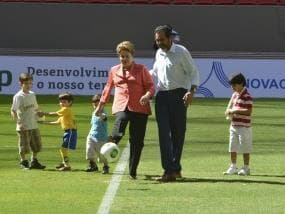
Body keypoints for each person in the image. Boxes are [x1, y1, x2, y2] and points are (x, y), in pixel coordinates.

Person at [95, 41, 155, 179]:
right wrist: (100, 106)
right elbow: (107, 89)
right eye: (121, 56)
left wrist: (147, 95)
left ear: (132, 55)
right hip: (122, 105)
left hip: (140, 108)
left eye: (126, 56)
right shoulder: (114, 70)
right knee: (121, 120)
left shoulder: (141, 69)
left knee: (137, 141)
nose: (124, 59)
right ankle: (109, 147)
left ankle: (132, 171)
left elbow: (151, 86)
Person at [151, 25, 200, 182]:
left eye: (162, 39)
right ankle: (168, 170)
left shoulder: (181, 52)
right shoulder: (159, 53)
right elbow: (154, 73)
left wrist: (191, 91)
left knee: (178, 134)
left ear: (170, 38)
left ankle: (175, 168)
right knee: (164, 134)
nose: (159, 43)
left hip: (179, 95)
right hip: (162, 97)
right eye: (157, 40)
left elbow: (193, 72)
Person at [11, 72, 46, 170]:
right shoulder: (18, 96)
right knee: (24, 146)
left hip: (33, 124)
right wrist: (18, 122)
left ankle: (34, 161)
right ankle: (23, 162)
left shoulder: (32, 94)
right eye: (26, 83)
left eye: (30, 83)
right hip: (24, 126)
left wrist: (39, 114)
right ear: (21, 83)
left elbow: (35, 108)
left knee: (37, 145)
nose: (29, 85)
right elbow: (13, 110)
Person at [224, 73, 253, 176]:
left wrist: (235, 110)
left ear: (241, 84)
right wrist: (228, 111)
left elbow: (248, 111)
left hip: (244, 127)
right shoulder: (234, 95)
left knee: (245, 147)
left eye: (234, 85)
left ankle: (246, 168)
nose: (233, 88)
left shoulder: (247, 96)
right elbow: (230, 106)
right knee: (232, 147)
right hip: (234, 125)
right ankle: (233, 166)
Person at [39, 92, 77, 171]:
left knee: (63, 148)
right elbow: (57, 122)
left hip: (70, 132)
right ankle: (64, 163)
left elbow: (55, 114)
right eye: (61, 102)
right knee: (63, 149)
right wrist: (44, 123)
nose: (62, 103)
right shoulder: (63, 113)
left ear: (70, 103)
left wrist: (43, 113)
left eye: (64, 102)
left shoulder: (66, 109)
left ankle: (67, 165)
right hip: (67, 132)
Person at [85, 94, 110, 174]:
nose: (96, 107)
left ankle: (105, 166)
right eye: (94, 105)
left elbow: (104, 118)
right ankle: (93, 165)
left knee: (102, 154)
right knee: (89, 150)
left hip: (101, 137)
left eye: (98, 105)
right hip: (91, 136)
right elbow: (93, 124)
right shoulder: (93, 113)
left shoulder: (103, 113)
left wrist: (99, 113)